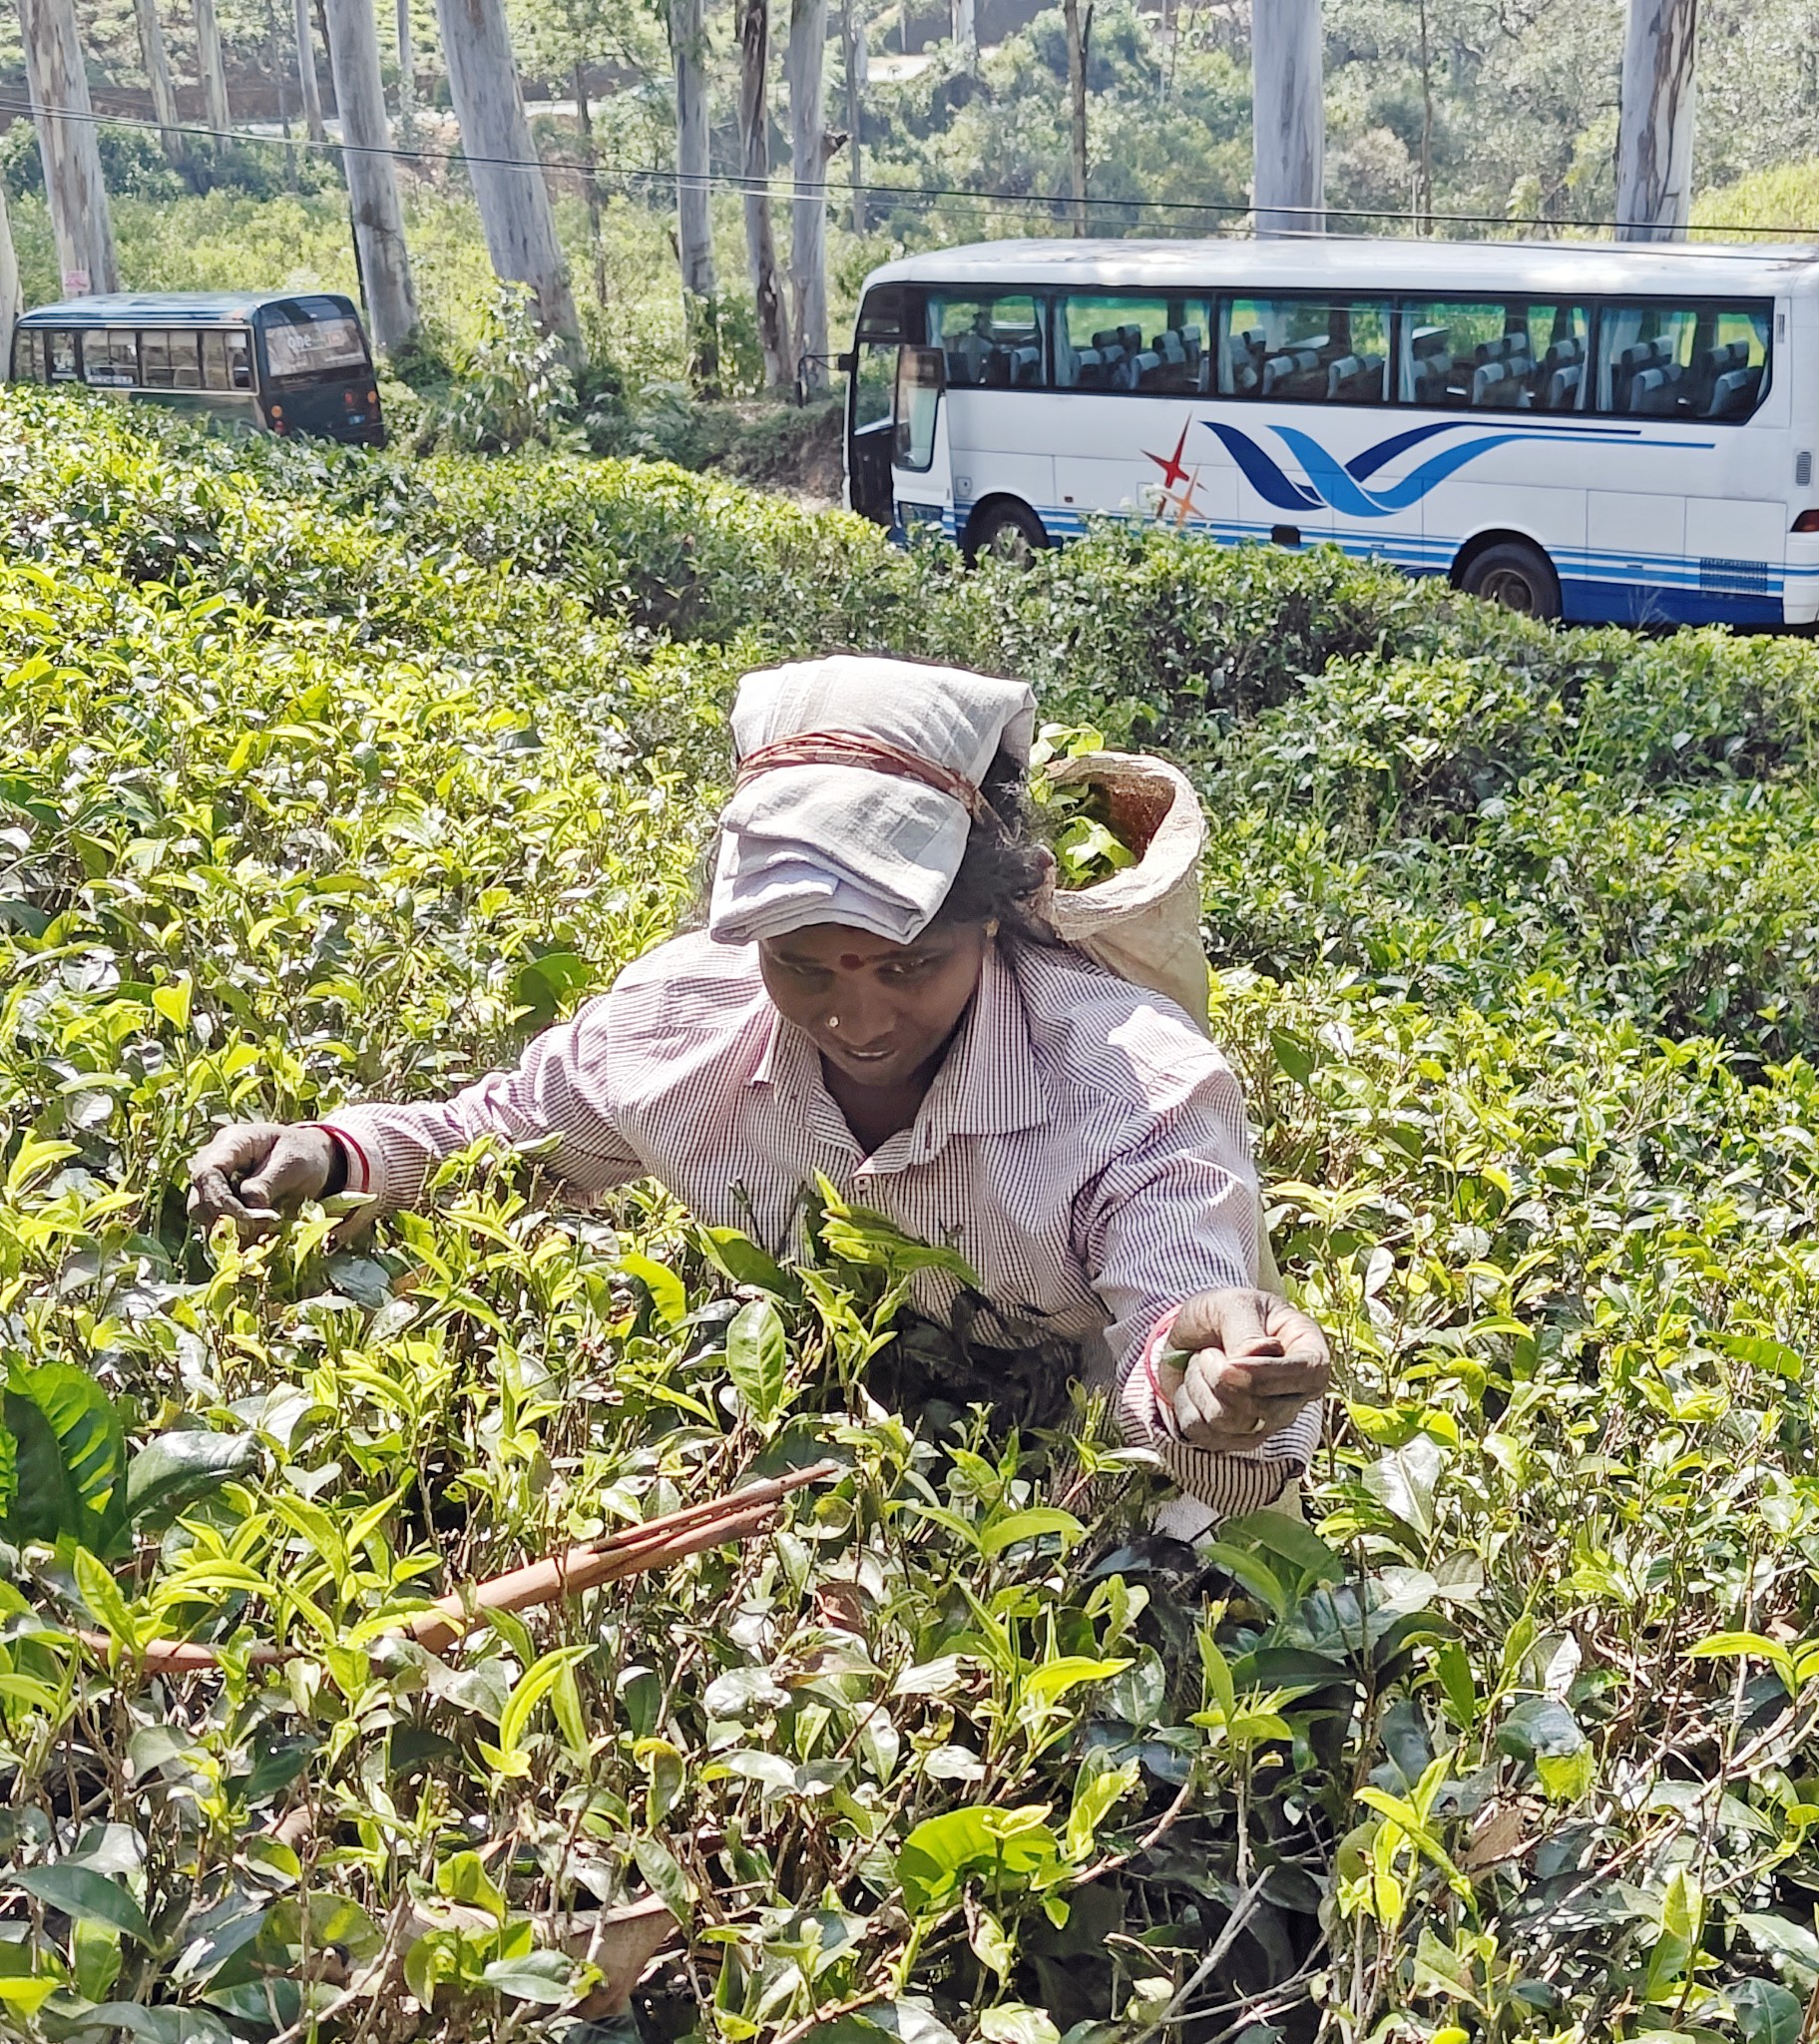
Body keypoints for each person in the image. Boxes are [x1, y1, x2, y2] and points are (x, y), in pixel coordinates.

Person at [189, 657, 1329, 1526]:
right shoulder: (684, 1025)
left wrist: (1207, 1382)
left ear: (993, 918)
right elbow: (490, 1131)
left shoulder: (1131, 1084)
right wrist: (328, 1154)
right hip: (824, 1439)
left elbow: (1178, 1322)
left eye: (907, 964)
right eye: (803, 963)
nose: (857, 1017)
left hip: (1067, 1475)